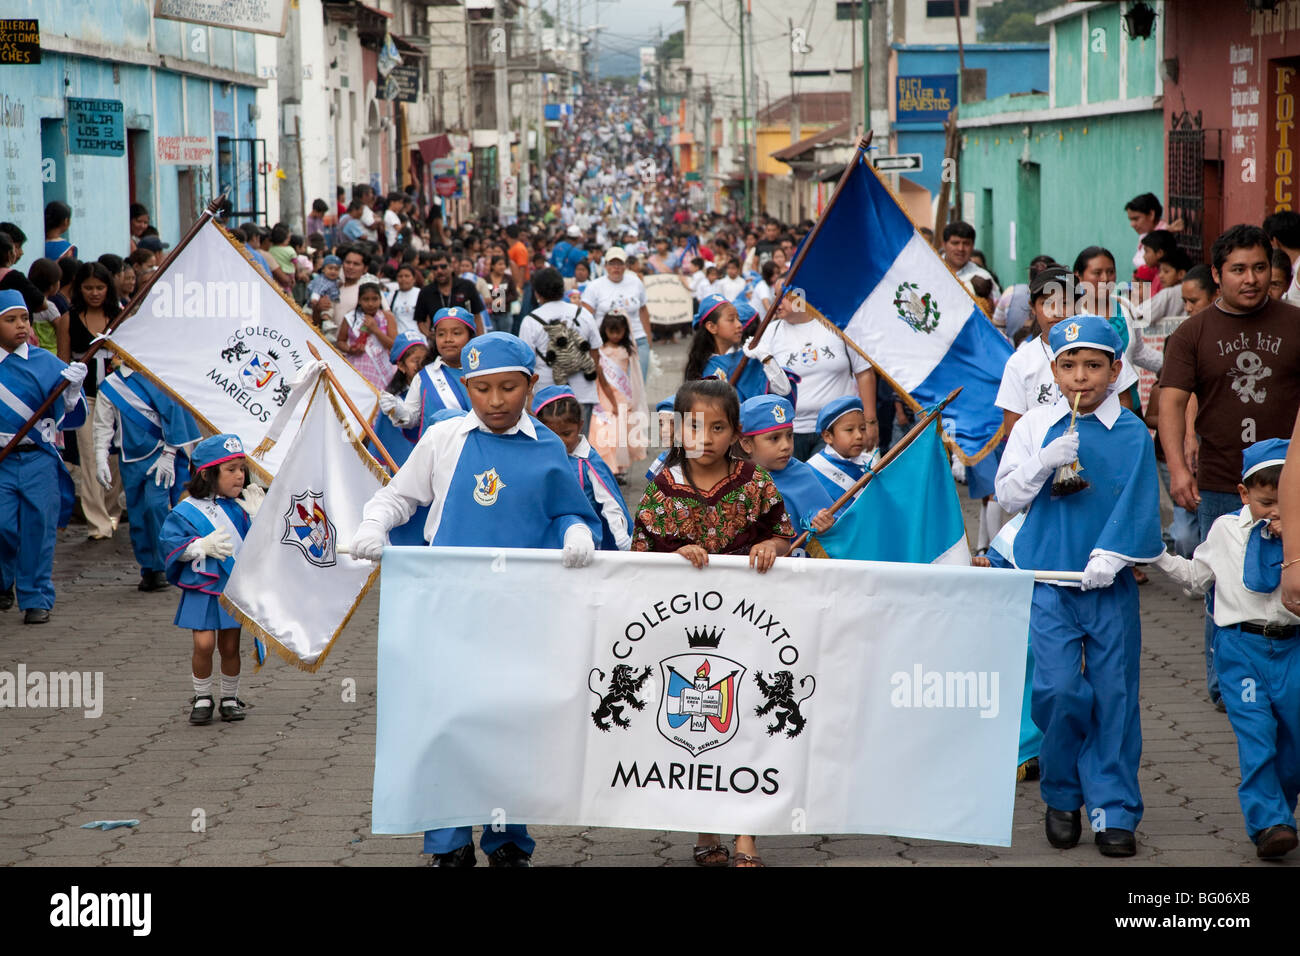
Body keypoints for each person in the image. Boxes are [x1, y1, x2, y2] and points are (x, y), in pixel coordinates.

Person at [352, 332, 601, 867]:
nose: (494, 401)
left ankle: (507, 838)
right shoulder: (444, 437)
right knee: (447, 721)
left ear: (531, 385)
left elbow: (570, 511)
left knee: (510, 721)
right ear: (465, 386)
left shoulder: (547, 446)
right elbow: (402, 495)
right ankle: (448, 843)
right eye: (481, 388)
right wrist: (375, 523)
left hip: (522, 612)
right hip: (448, 608)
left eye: (508, 388)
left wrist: (577, 532)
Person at [995, 315, 1163, 857]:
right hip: (1048, 580)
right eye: (1069, 366)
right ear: (1054, 369)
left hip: (1107, 585)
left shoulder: (1132, 432)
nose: (1081, 377)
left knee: (1115, 696)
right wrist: (1044, 462)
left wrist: (1112, 556)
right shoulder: (1034, 426)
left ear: (1116, 371)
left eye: (1094, 366)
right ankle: (1062, 792)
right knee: (1059, 690)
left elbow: (1139, 504)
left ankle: (1114, 808)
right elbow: (1007, 496)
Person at [631, 378, 794, 868]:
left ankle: (747, 836)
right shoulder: (662, 488)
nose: (705, 438)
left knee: (746, 722)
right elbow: (640, 554)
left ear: (737, 433)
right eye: (694, 426)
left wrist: (772, 548)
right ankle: (706, 830)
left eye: (718, 427)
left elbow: (783, 534)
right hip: (681, 637)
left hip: (749, 630)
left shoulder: (754, 482)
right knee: (699, 727)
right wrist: (674, 552)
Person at [1159, 224, 1300, 711]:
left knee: (1293, 571)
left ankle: (1287, 675)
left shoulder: (1295, 323)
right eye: (1238, 269)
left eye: (1260, 267)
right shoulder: (1192, 332)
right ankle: (1227, 683)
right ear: (1218, 274)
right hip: (1224, 483)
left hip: (1294, 482)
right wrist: (1178, 469)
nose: (1251, 279)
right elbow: (1172, 404)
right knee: (1226, 580)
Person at [1149, 438, 1299, 858]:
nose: (1276, 512)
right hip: (1240, 646)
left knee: (1294, 742)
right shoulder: (1225, 530)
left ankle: (1280, 814)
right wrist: (1155, 555)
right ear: (1243, 493)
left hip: (1291, 647)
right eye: (1267, 502)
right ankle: (1267, 821)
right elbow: (1197, 577)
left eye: (1285, 501)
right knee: (1257, 735)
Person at [160, 434, 263, 725]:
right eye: (231, 470)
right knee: (203, 645)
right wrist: (197, 547)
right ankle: (202, 696)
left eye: (242, 468)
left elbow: (259, 551)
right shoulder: (187, 509)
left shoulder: (241, 508)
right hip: (201, 587)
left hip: (231, 587)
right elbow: (168, 542)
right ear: (207, 473)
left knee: (230, 646)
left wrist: (259, 520)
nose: (240, 476)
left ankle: (230, 698)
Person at [0, 290, 88, 623]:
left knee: (39, 527)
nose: (21, 326)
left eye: (24, 318)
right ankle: (2, 581)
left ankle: (36, 597)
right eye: (10, 320)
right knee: (3, 526)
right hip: (3, 461)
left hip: (38, 457)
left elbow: (68, 414)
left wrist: (73, 391)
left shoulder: (46, 362)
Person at [94, 361, 200, 592]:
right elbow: (103, 425)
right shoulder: (110, 385)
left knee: (156, 507)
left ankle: (163, 565)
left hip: (160, 454)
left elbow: (174, 415)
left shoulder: (157, 376)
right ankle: (148, 568)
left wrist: (170, 454)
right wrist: (101, 456)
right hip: (129, 459)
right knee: (138, 513)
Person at [57, 261, 124, 540]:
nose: (94, 293)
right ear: (78, 288)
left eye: (100, 287)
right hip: (86, 397)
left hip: (118, 396)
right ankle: (97, 523)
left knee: (114, 456)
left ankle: (112, 512)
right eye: (88, 288)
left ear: (108, 288)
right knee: (89, 455)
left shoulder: (121, 314)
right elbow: (62, 359)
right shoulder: (68, 319)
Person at [534, 385, 632, 551]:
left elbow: (610, 504)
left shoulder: (588, 462)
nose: (561, 442)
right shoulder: (536, 458)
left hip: (586, 541)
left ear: (580, 426)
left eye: (566, 433)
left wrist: (622, 541)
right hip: (547, 540)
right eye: (553, 435)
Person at [738, 394, 834, 548]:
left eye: (789, 436)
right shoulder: (734, 480)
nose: (786, 445)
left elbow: (833, 524)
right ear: (747, 444)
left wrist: (826, 525)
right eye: (774, 438)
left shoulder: (802, 475)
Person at [519, 267, 603, 431]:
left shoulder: (530, 321)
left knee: (549, 447)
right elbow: (595, 353)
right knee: (579, 445)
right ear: (562, 288)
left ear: (537, 293)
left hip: (546, 396)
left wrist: (529, 397)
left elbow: (525, 364)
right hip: (583, 392)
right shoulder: (583, 313)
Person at [380, 306, 476, 432]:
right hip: (437, 449)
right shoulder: (424, 376)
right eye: (441, 334)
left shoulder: (481, 371)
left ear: (470, 337)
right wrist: (397, 410)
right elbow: (412, 418)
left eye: (456, 333)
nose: (448, 339)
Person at [687, 294, 792, 404]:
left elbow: (784, 389)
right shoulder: (702, 365)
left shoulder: (749, 358)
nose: (739, 325)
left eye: (738, 319)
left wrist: (766, 357)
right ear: (712, 327)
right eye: (731, 320)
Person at [580, 246, 652, 382]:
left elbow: (643, 309)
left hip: (636, 339)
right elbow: (586, 316)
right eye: (612, 264)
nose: (616, 268)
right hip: (606, 343)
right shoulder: (595, 286)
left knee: (638, 383)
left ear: (625, 266)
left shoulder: (636, 282)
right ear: (606, 266)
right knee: (613, 386)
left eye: (620, 264)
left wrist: (648, 339)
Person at [590, 311, 646, 480]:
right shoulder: (600, 350)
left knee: (621, 432)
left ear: (625, 331)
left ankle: (619, 468)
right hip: (604, 393)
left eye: (619, 331)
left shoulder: (627, 349)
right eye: (611, 331)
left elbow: (633, 372)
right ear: (604, 330)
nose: (615, 335)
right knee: (606, 429)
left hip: (622, 394)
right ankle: (608, 465)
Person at [807, 396, 879, 502]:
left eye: (863, 428)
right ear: (828, 436)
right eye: (850, 430)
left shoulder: (871, 463)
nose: (859, 435)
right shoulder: (814, 468)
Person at [336, 281, 397, 390]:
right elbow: (340, 341)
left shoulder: (387, 317)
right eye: (366, 299)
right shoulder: (351, 318)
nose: (370, 303)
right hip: (357, 367)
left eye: (374, 299)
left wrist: (375, 330)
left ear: (380, 300)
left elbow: (394, 346)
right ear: (359, 300)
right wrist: (350, 349)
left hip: (382, 369)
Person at [412, 249, 487, 337]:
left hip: (466, 340)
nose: (439, 271)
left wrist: (480, 340)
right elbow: (420, 321)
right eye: (435, 268)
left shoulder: (467, 286)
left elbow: (477, 317)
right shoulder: (426, 292)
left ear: (451, 267)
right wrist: (429, 335)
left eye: (443, 266)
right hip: (439, 344)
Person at [942, 222, 1000, 301]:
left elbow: (997, 310)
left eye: (966, 244)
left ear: (973, 246)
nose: (960, 249)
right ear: (944, 244)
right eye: (955, 243)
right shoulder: (930, 271)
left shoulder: (983, 277)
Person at [385, 263, 421, 336]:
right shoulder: (391, 296)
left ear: (414, 279)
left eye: (407, 276)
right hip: (400, 340)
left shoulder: (421, 294)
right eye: (400, 276)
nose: (403, 279)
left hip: (419, 339)